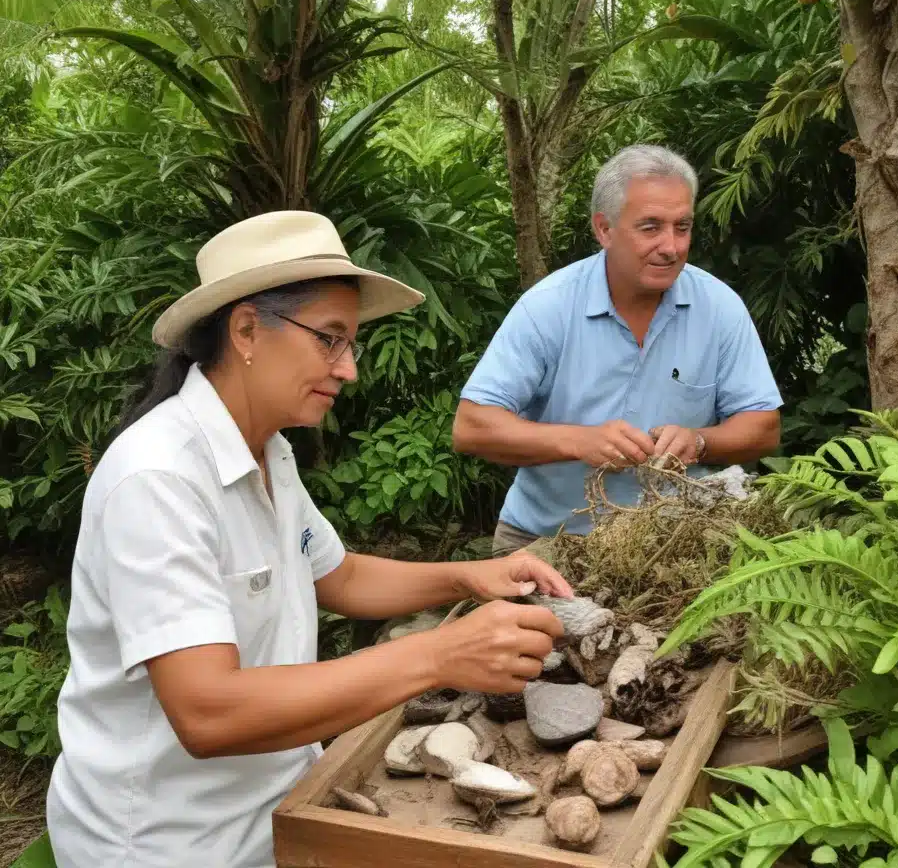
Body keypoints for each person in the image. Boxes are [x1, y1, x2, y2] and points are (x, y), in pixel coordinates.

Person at [46, 210, 571, 868]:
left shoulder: (270, 450)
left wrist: (466, 577)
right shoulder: (157, 479)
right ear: (246, 330)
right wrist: (437, 655)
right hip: (168, 844)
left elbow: (336, 576)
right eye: (329, 339)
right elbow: (207, 713)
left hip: (278, 808)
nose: (347, 368)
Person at [452, 144, 783, 556]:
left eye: (682, 226)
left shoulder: (719, 307)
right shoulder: (549, 306)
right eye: (650, 227)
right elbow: (472, 426)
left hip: (675, 544)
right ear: (604, 230)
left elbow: (763, 426)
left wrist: (699, 442)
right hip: (544, 541)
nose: (672, 246)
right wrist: (578, 441)